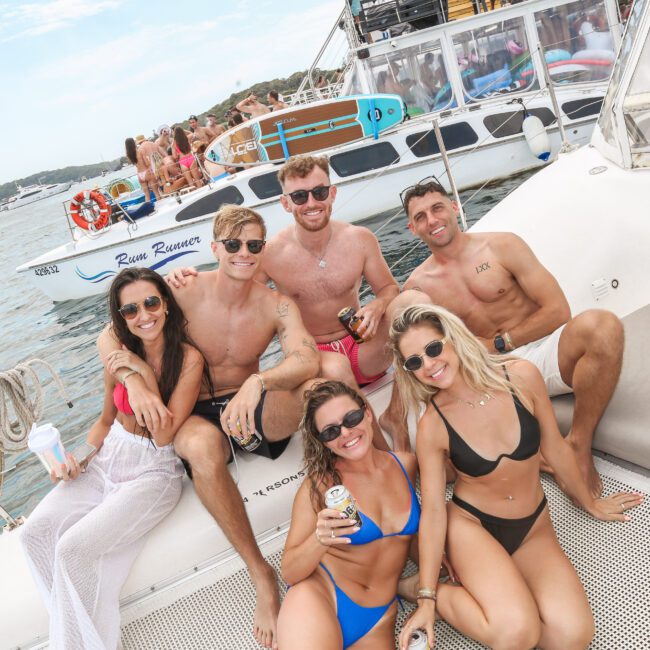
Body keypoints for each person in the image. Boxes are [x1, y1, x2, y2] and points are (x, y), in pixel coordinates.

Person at [101, 205, 320, 649]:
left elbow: (306, 358)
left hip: (246, 405)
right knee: (200, 448)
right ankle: (260, 571)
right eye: (234, 244)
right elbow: (110, 334)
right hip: (192, 411)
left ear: (263, 248)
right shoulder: (183, 291)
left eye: (254, 244)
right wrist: (131, 380)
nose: (244, 253)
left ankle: (350, 494)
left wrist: (260, 380)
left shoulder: (276, 304)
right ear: (214, 247)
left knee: (321, 387)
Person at [389, 304, 642, 650]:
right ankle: (422, 588)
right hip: (472, 526)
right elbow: (433, 511)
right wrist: (428, 598)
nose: (429, 365)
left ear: (453, 338)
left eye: (433, 348)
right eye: (414, 362)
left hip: (532, 526)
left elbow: (554, 448)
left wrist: (590, 500)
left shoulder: (521, 376)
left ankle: (490, 586)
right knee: (517, 634)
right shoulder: (432, 425)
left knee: (571, 638)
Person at [166, 154, 413, 449]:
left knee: (411, 303)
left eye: (319, 192)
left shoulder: (360, 239)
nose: (311, 203)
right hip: (318, 355)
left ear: (332, 193)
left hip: (362, 344)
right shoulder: (268, 253)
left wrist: (377, 305)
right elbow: (235, 284)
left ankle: (396, 413)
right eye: (299, 196)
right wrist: (186, 278)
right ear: (286, 203)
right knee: (334, 369)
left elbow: (388, 288)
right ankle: (382, 457)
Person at [400, 176, 624, 496]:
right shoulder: (418, 287)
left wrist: (499, 343)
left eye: (437, 208)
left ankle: (579, 443)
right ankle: (536, 457)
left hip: (542, 350)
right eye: (420, 217)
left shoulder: (503, 246)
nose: (431, 220)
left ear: (454, 207)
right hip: (494, 376)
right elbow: (420, 349)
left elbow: (558, 310)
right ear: (412, 229)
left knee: (603, 327)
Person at [21, 267, 204, 649]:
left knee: (72, 550)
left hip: (153, 471)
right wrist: (80, 458)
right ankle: (79, 639)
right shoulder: (117, 356)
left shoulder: (188, 360)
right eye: (130, 310)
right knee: (35, 534)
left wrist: (141, 376)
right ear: (121, 317)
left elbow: (164, 433)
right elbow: (105, 421)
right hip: (108, 457)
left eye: (151, 302)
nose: (144, 315)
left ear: (166, 305)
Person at [277, 380, 419, 649]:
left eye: (351, 418)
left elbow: (403, 537)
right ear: (323, 442)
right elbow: (290, 571)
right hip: (322, 595)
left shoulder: (406, 465)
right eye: (331, 431)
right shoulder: (318, 486)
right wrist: (320, 539)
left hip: (377, 619)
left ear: (367, 412)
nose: (345, 433)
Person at [125, 136, 165, 201]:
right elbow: (147, 163)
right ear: (133, 143)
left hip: (139, 175)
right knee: (156, 192)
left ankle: (149, 207)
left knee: (147, 195)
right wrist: (149, 160)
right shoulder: (140, 151)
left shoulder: (128, 155)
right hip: (147, 172)